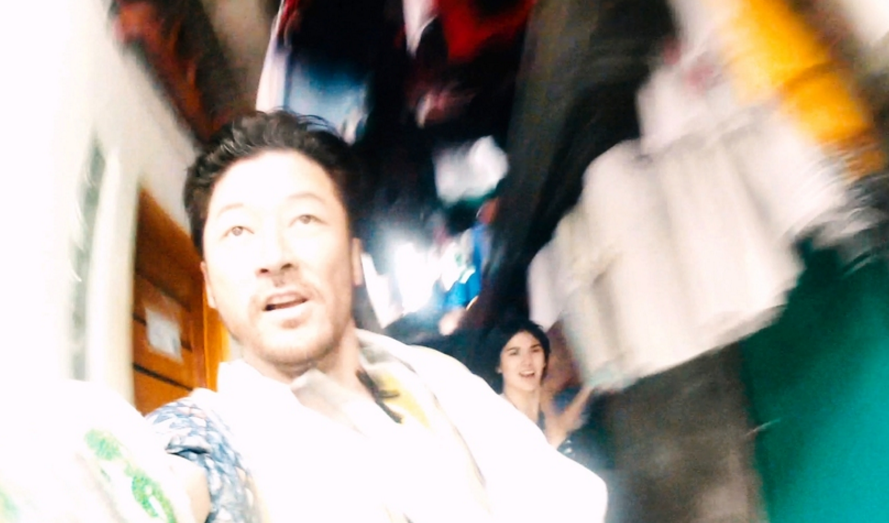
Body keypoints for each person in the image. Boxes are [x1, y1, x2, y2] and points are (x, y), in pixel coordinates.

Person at [146, 111, 607, 523]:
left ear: (353, 259)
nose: (274, 256)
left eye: (304, 219)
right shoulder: (215, 440)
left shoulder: (431, 377)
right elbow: (151, 482)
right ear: (209, 285)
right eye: (237, 230)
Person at [481, 318, 596, 459]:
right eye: (514, 353)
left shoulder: (546, 403)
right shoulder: (495, 418)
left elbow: (557, 433)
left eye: (534, 350)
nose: (527, 362)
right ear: (498, 365)